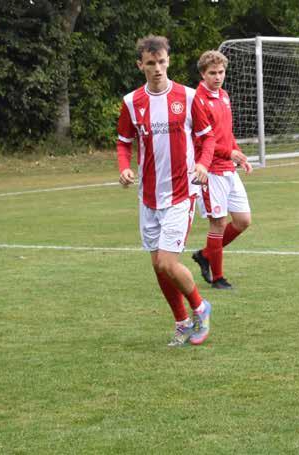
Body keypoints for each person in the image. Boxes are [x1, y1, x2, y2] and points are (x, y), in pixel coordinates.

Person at [116, 35, 213, 347]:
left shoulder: (188, 96)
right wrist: (124, 168)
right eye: (150, 63)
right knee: (158, 266)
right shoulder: (132, 102)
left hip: (181, 194)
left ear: (168, 61)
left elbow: (207, 137)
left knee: (167, 263)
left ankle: (200, 308)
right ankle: (181, 322)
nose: (157, 68)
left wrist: (203, 164)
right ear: (140, 65)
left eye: (161, 62)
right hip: (148, 196)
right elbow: (123, 143)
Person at [190, 50, 253, 290]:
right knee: (218, 223)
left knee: (243, 220)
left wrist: (239, 155)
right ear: (202, 74)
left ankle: (206, 254)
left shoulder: (224, 96)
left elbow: (226, 133)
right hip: (210, 171)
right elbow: (204, 140)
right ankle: (218, 278)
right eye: (212, 73)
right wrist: (229, 153)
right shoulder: (198, 101)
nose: (218, 77)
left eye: (221, 72)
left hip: (228, 168)